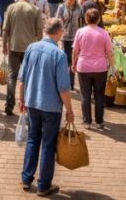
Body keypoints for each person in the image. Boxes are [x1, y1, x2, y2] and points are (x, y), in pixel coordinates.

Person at [17, 18, 74, 197]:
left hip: (32, 102)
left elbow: (22, 79)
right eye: (62, 31)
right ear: (58, 32)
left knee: (33, 139)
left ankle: (26, 178)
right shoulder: (59, 55)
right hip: (51, 107)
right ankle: (43, 185)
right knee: (48, 145)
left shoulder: (31, 48)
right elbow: (63, 88)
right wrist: (70, 109)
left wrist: (21, 99)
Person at [2, 0, 43, 116]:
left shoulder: (11, 8)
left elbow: (5, 29)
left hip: (14, 46)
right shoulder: (35, 9)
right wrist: (40, 45)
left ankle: (9, 105)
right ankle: (27, 104)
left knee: (12, 76)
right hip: (30, 48)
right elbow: (39, 30)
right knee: (29, 77)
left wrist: (4, 45)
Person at [72, 8, 114, 129]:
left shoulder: (80, 32)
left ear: (86, 19)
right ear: (99, 19)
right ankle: (99, 121)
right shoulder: (104, 33)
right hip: (100, 67)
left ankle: (87, 121)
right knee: (99, 95)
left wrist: (74, 63)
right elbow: (109, 52)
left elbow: (75, 50)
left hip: (83, 66)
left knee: (85, 95)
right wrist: (112, 66)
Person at [56, 0, 84, 91]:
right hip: (65, 37)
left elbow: (82, 22)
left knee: (73, 61)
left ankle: (71, 84)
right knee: (64, 60)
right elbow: (58, 21)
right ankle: (63, 82)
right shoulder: (61, 7)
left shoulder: (80, 8)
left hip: (75, 37)